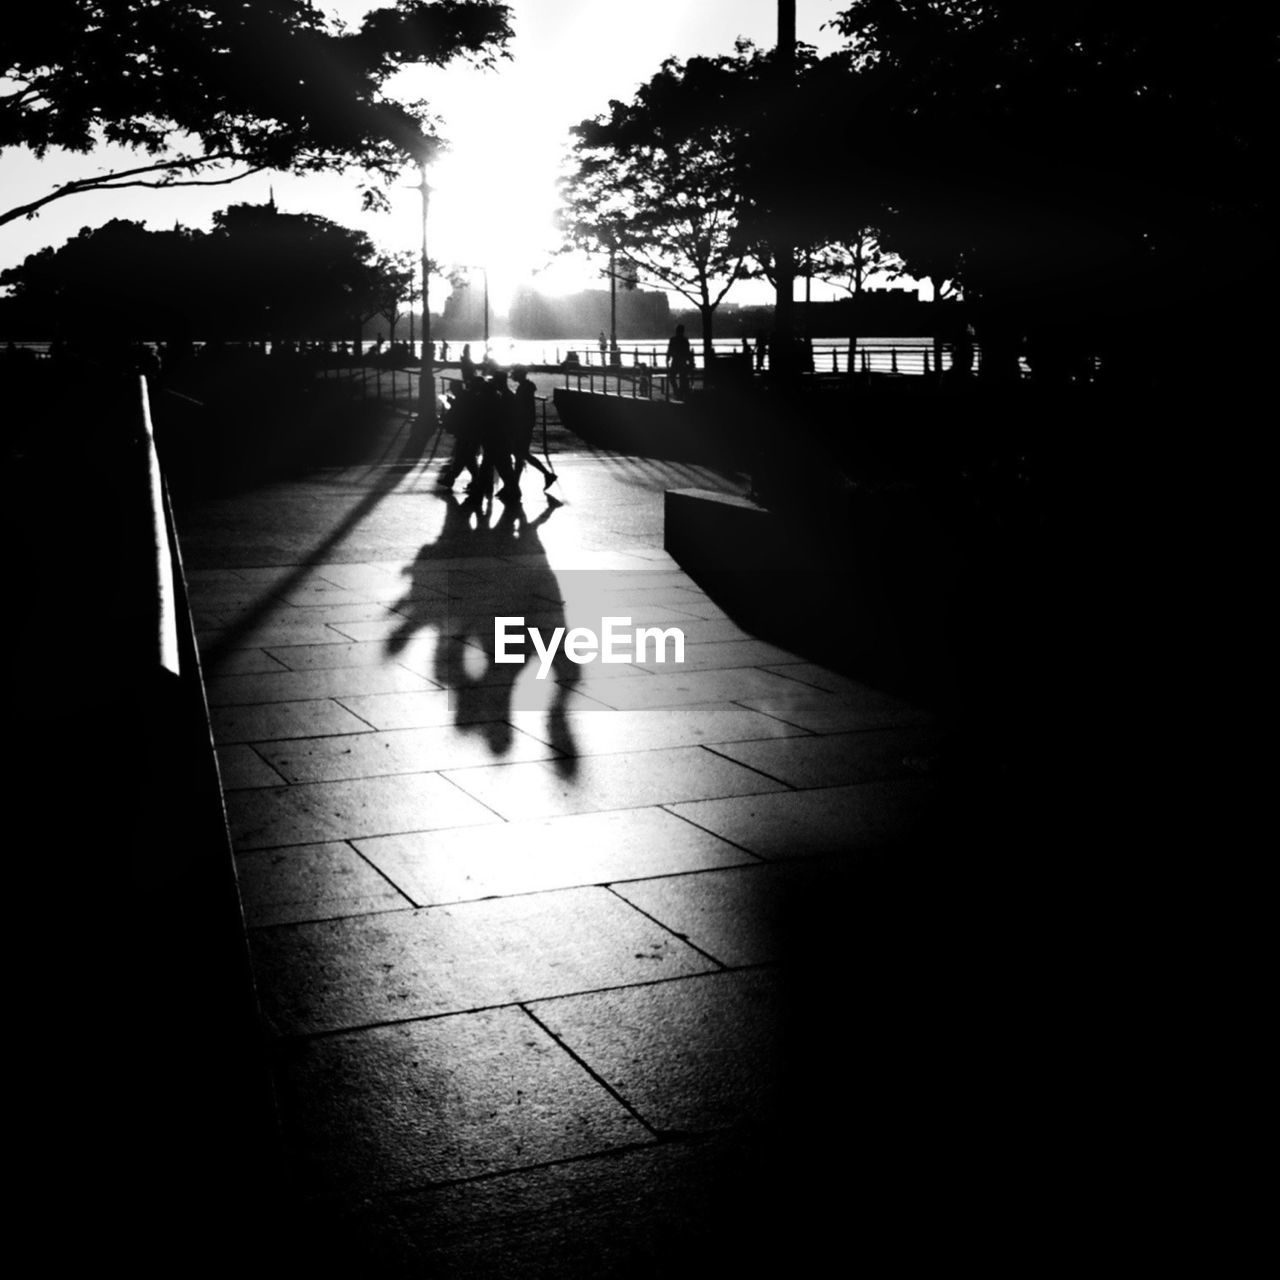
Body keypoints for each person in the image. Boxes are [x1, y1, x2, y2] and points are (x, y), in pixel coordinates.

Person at [508, 366, 557, 492]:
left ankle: (546, 474)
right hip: (526, 423)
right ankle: (515, 485)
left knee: (521, 453)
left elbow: (520, 406)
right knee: (521, 454)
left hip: (523, 424)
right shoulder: (526, 387)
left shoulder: (524, 388)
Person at [665, 323, 693, 397]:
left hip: (675, 361)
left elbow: (669, 350)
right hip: (682, 361)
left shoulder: (673, 339)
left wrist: (667, 359)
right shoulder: (685, 340)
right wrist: (690, 361)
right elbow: (687, 351)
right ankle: (680, 391)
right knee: (682, 377)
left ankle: (677, 390)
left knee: (672, 377)